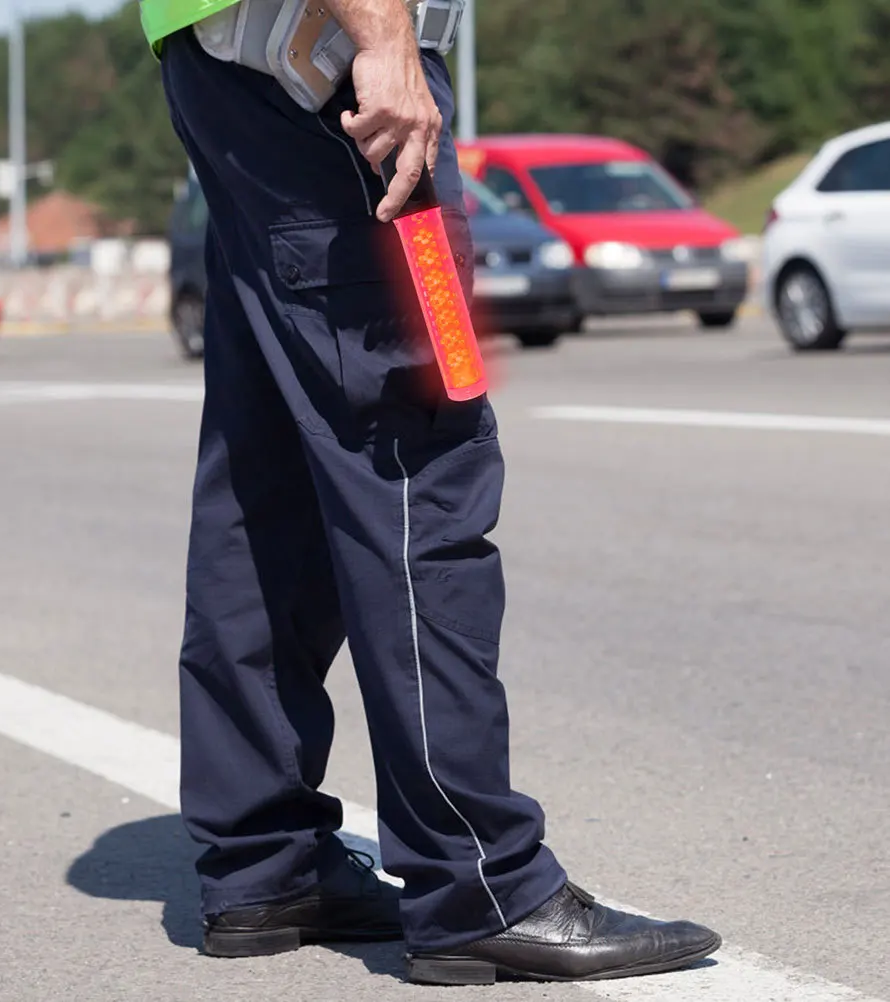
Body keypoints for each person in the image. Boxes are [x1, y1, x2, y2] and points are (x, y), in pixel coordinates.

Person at [141, 0, 723, 985]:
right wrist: (384, 39)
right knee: (417, 459)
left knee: (267, 477)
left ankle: (263, 863)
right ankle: (478, 882)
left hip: (235, 62)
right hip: (323, 65)